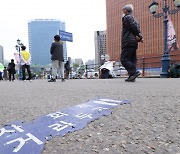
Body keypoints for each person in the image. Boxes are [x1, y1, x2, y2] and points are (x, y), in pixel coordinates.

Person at [120, 4, 144, 82]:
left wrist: (138, 36)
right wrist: (140, 37)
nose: (122, 12)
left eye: (123, 10)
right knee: (132, 59)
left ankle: (133, 72)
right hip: (134, 42)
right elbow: (137, 29)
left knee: (124, 59)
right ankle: (132, 76)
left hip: (128, 41)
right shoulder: (135, 20)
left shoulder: (127, 17)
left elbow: (133, 27)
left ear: (126, 11)